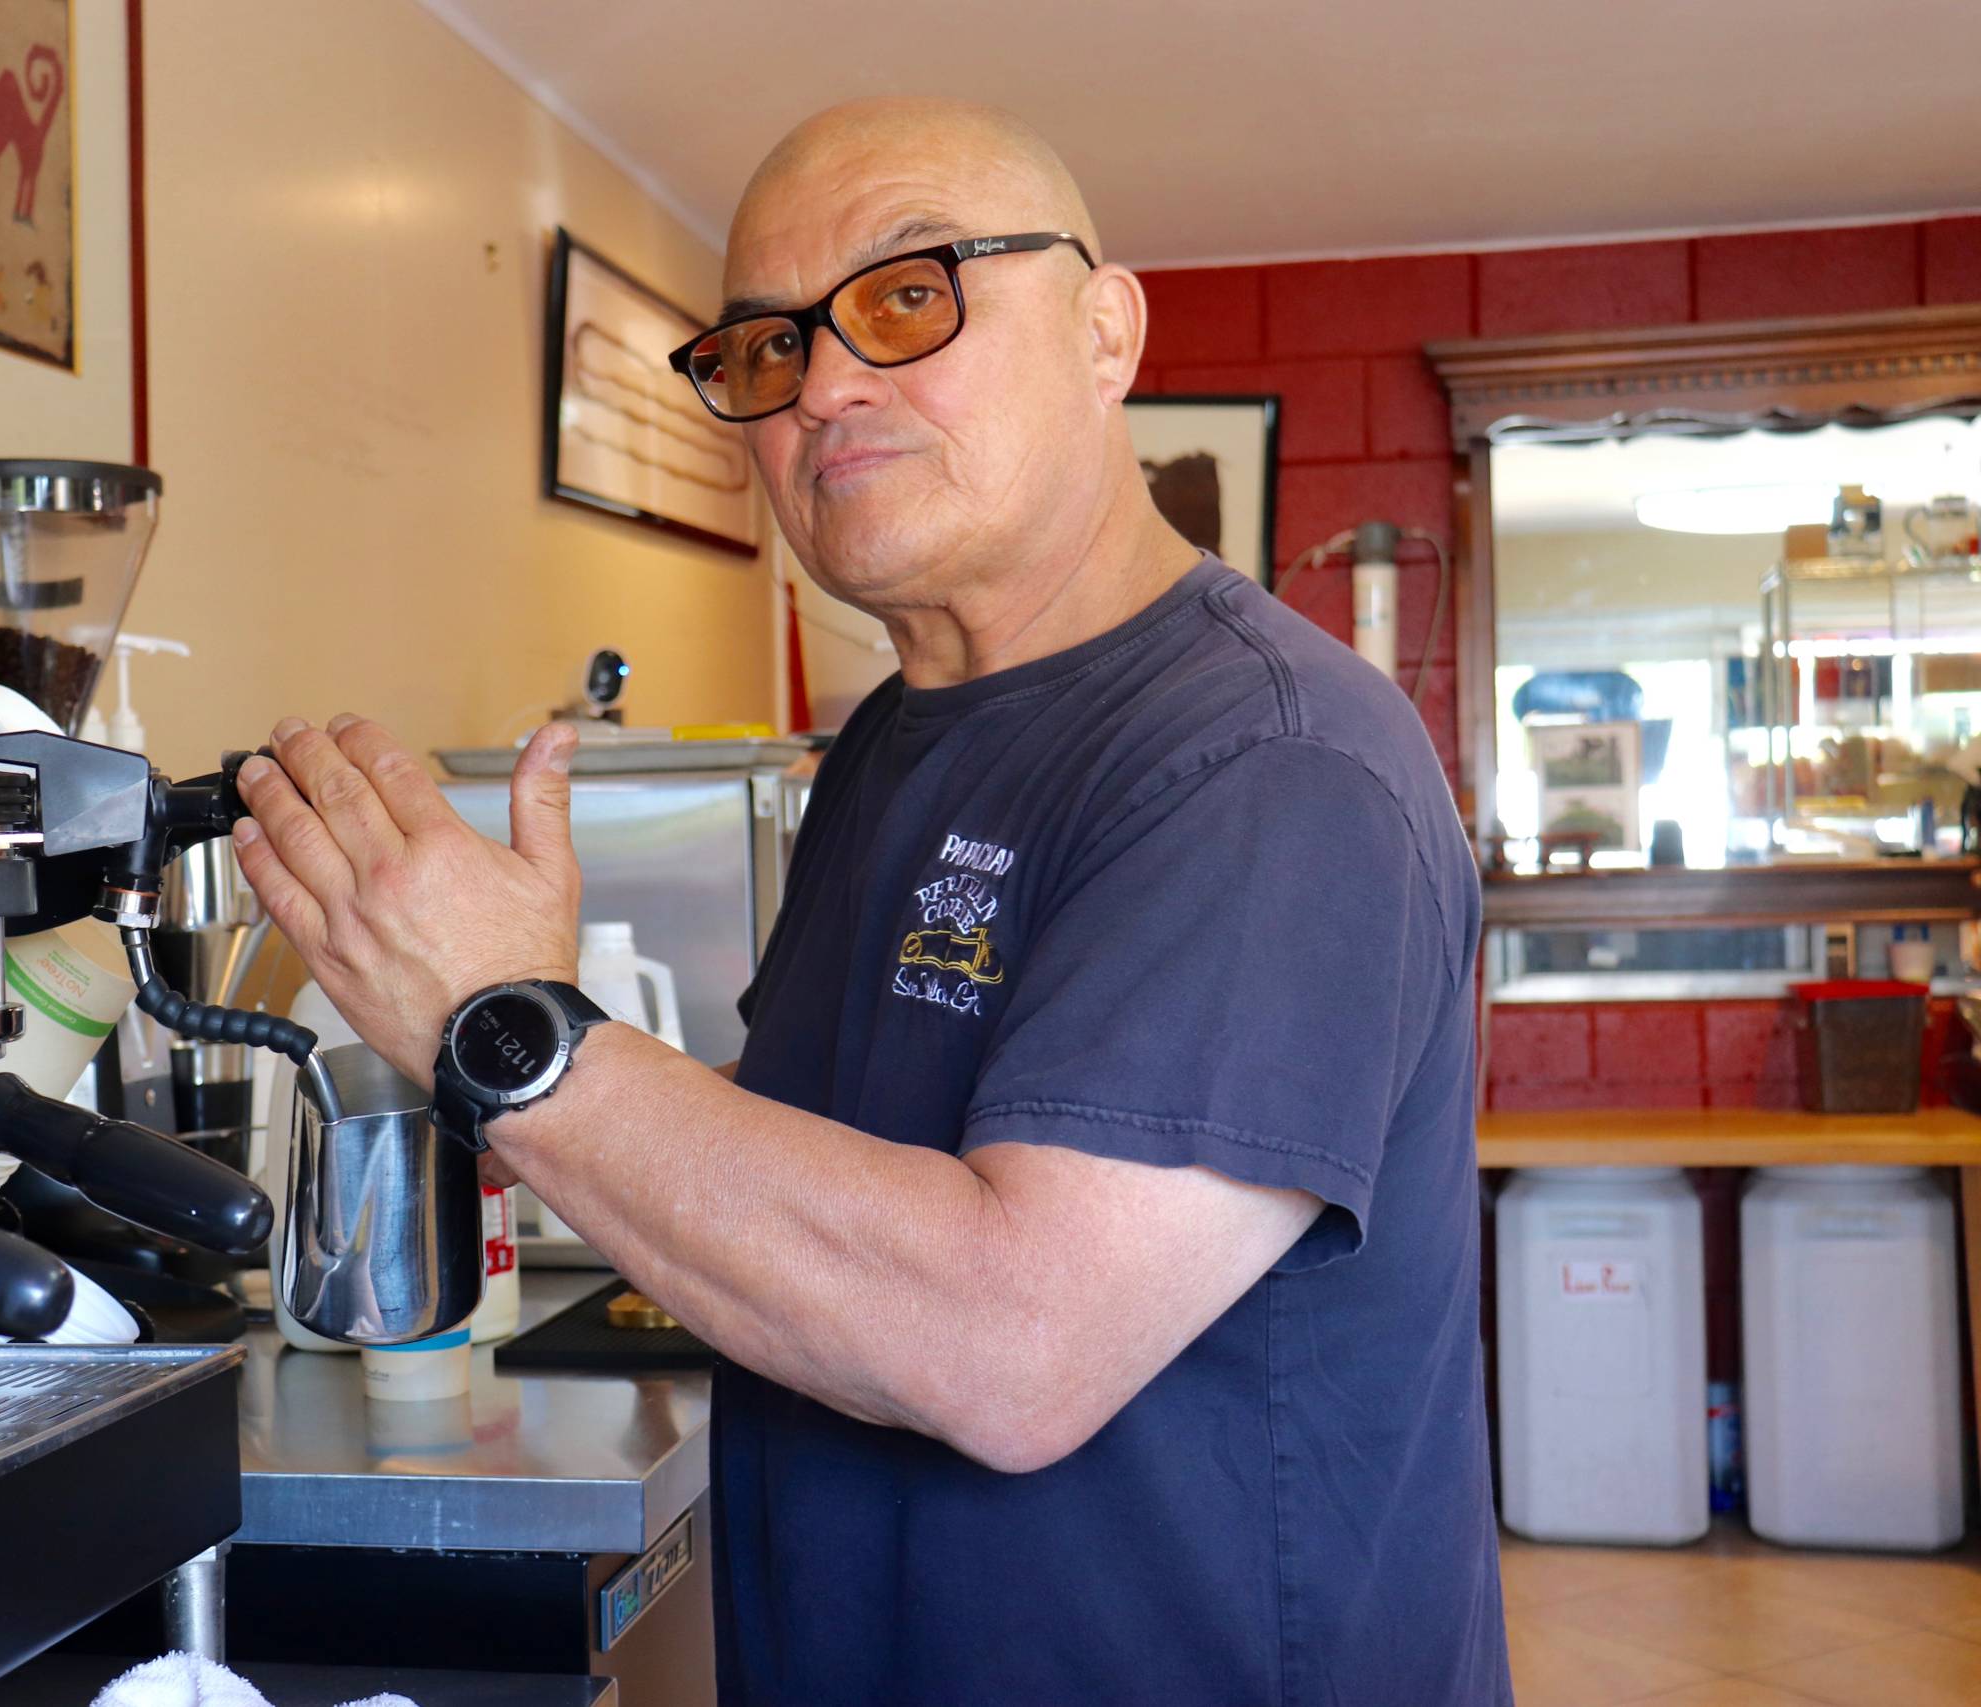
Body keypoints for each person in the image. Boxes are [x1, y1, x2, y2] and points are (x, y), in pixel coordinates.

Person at [230, 97, 1509, 1707]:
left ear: (1106, 331)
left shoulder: (1268, 759)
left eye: (910, 296)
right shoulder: (892, 750)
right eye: (765, 348)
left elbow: (1011, 1343)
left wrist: (513, 1035)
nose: (826, 385)